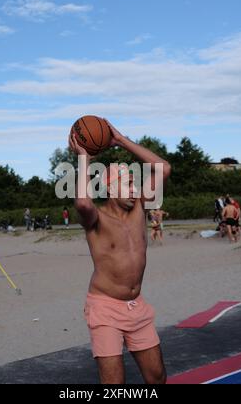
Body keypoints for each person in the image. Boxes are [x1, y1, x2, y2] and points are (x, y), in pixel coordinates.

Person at [69, 121, 171, 385]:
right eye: (128, 183)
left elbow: (163, 168)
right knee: (114, 384)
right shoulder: (96, 220)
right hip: (105, 308)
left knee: (157, 377)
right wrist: (84, 158)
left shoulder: (140, 208)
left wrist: (122, 140)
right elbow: (82, 201)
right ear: (111, 189)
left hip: (137, 307)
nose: (136, 189)